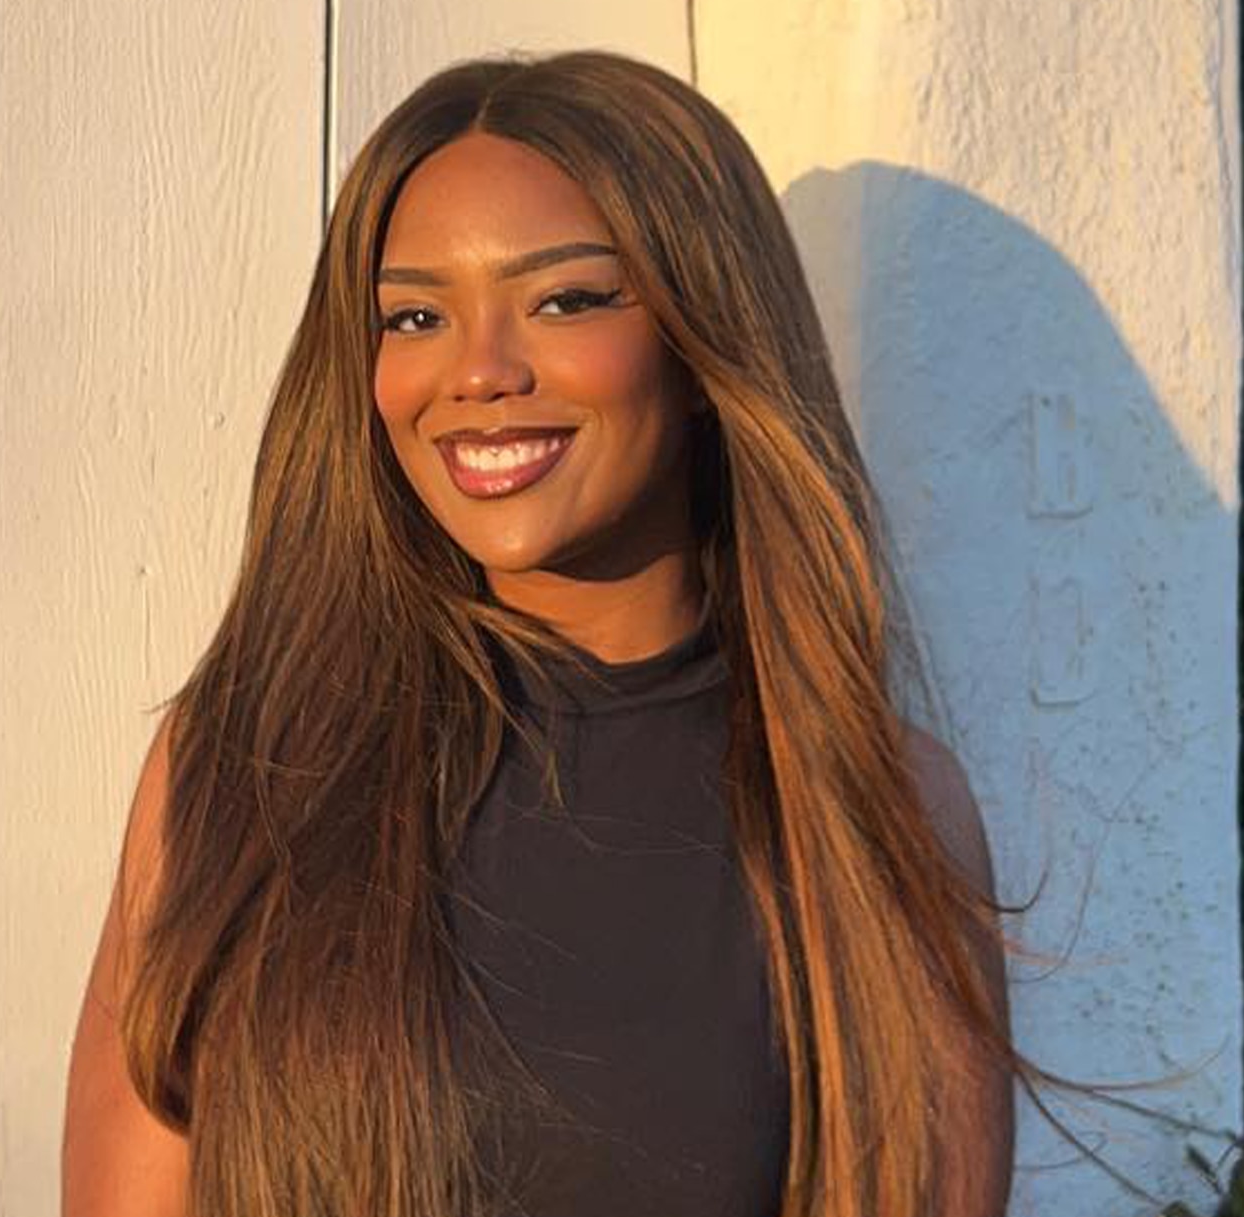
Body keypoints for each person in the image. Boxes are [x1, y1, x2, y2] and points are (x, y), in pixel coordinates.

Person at [63, 48, 1025, 1217]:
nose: (476, 371)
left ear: (698, 340)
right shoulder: (240, 768)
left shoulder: (873, 805)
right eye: (416, 314)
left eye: (565, 298)